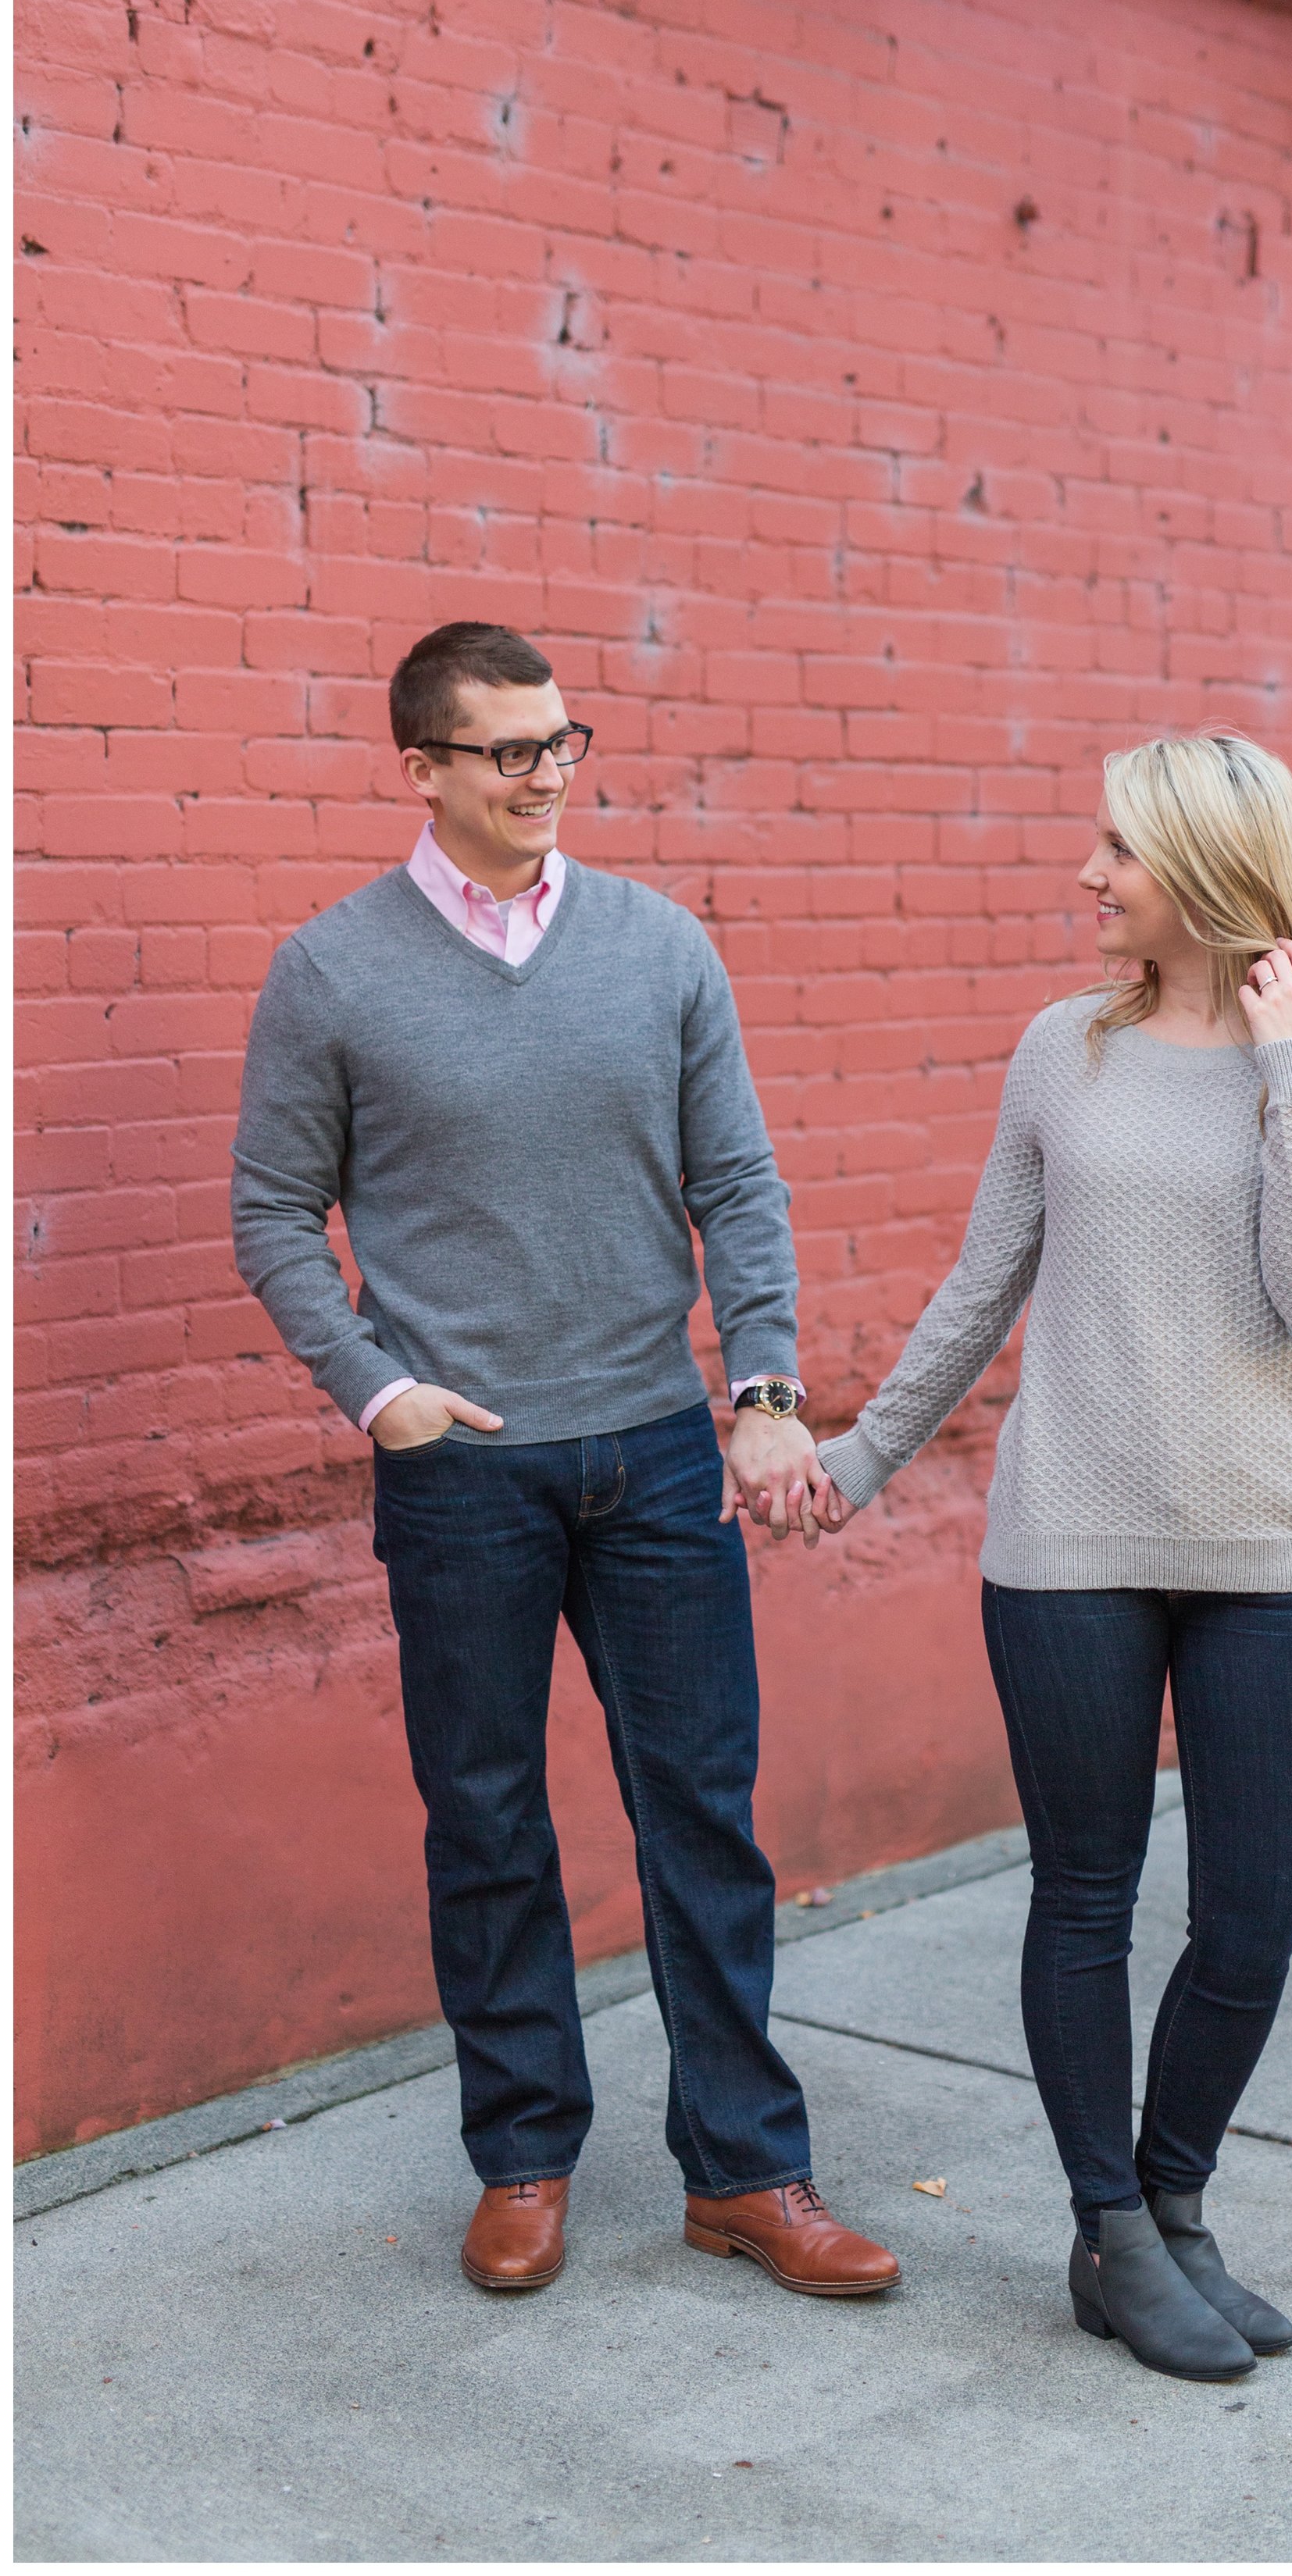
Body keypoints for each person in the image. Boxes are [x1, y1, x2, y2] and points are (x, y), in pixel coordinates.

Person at [230, 619, 896, 2303]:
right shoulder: (333, 970)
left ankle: (745, 2171)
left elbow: (736, 1185)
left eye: (560, 742)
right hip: (461, 1469)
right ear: (424, 770)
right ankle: (522, 2155)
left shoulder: (657, 945)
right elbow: (270, 1212)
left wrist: (759, 1386)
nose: (543, 775)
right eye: (507, 750)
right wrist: (378, 1392)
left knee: (702, 1815)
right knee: (486, 1817)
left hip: (661, 1454)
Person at [816, 732, 1292, 2382]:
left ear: (1214, 874)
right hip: (1068, 1542)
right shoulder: (1057, 1052)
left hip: (1276, 1547)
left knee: (1248, 1924)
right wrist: (859, 1457)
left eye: (1117, 849)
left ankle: (1172, 2205)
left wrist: (1290, 1064)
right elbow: (979, 1281)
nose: (1087, 876)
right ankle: (1112, 2229)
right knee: (1083, 1895)